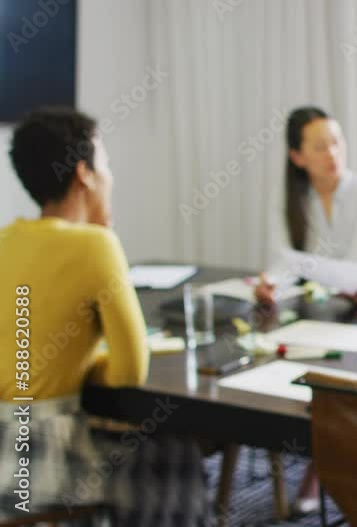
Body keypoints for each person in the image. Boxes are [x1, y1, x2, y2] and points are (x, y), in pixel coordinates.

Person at [0, 107, 206, 524]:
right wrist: (92, 363)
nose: (111, 177)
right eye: (106, 164)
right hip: (39, 458)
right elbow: (131, 369)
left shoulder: (7, 240)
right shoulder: (96, 244)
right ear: (84, 174)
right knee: (174, 450)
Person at [256, 106, 357, 302]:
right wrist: (273, 282)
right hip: (311, 305)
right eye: (320, 147)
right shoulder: (287, 197)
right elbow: (280, 262)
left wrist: (292, 263)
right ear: (297, 157)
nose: (332, 153)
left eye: (336, 142)